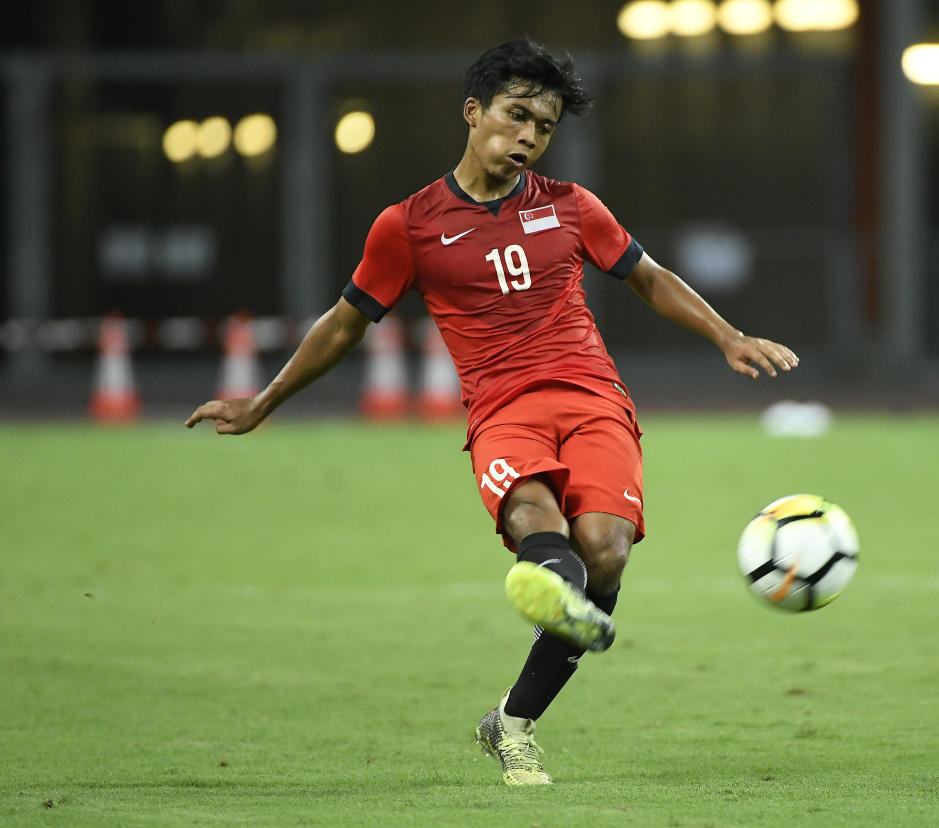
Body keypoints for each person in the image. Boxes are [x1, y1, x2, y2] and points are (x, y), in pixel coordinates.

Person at [185, 36, 799, 786]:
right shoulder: (407, 226)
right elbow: (345, 322)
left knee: (604, 551)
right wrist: (265, 401)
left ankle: (512, 716)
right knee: (541, 531)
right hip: (502, 412)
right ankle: (548, 584)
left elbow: (648, 276)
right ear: (473, 112)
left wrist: (727, 337)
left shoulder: (572, 207)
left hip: (595, 401)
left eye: (543, 127)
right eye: (516, 116)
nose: (529, 137)